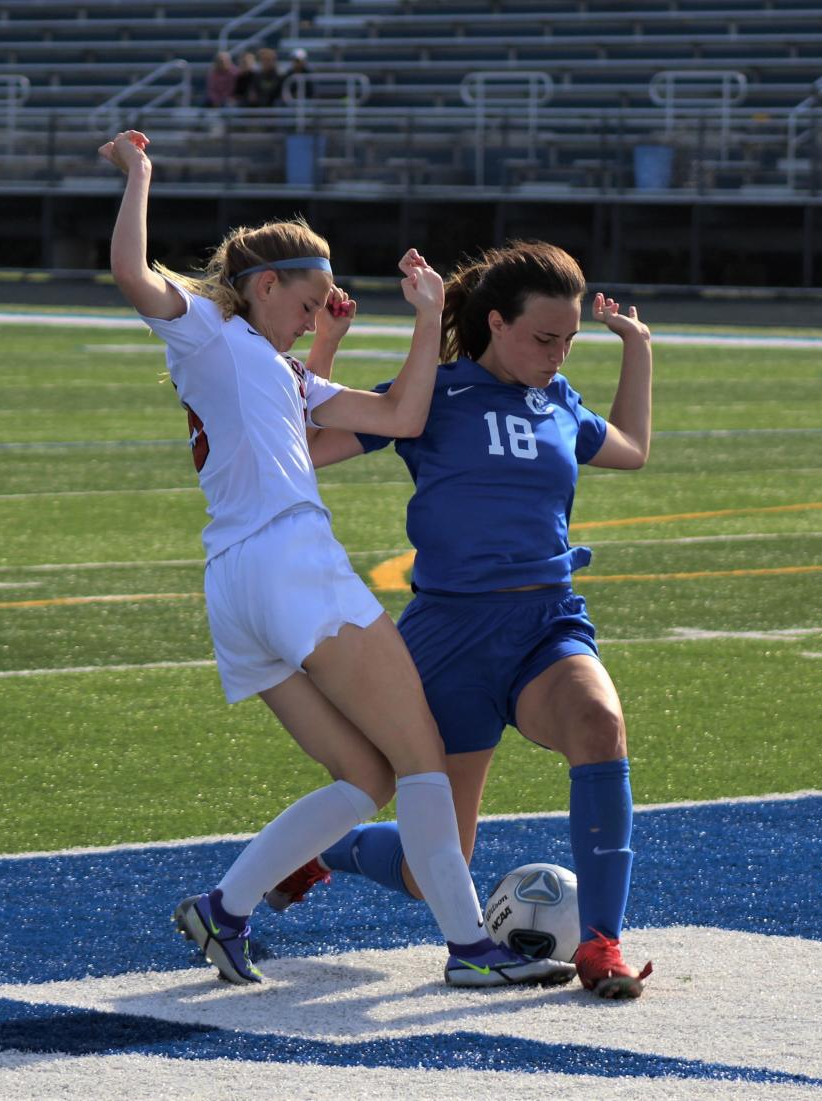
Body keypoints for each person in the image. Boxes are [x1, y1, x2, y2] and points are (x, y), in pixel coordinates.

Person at [96, 131, 567, 990]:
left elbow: (403, 414)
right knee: (422, 753)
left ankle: (224, 907)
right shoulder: (211, 329)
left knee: (366, 774)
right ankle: (470, 948)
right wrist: (141, 176)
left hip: (236, 585)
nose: (317, 319)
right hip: (288, 562)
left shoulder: (275, 368)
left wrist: (428, 320)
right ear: (264, 285)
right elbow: (133, 273)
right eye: (307, 303)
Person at [277, 240, 655, 999]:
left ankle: (603, 945)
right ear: (494, 323)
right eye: (544, 338)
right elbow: (305, 449)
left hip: (547, 623)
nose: (558, 353)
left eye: (569, 339)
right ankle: (328, 850)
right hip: (448, 639)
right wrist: (326, 348)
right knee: (428, 871)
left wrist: (637, 349)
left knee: (599, 725)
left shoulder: (561, 401)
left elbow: (632, 451)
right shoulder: (433, 395)